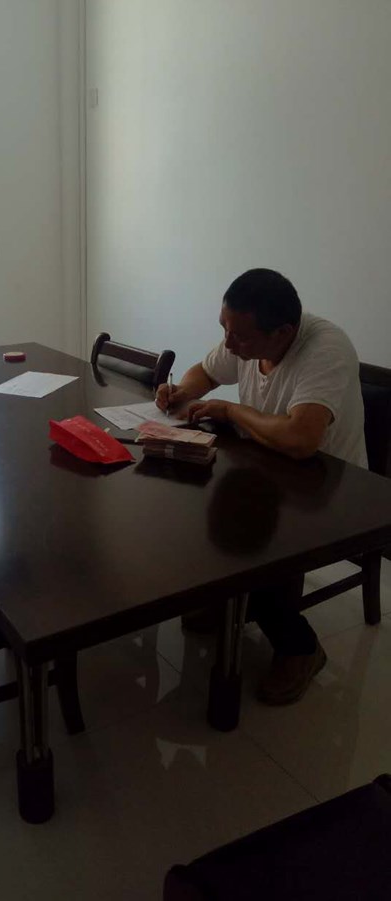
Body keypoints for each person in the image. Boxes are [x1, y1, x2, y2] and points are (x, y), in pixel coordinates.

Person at [156, 267, 367, 705]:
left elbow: (301, 439)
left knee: (254, 541)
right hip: (268, 467)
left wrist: (232, 412)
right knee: (192, 506)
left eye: (239, 337)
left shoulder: (325, 349)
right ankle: (228, 600)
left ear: (283, 332)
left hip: (331, 488)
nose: (229, 344)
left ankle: (300, 648)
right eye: (224, 329)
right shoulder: (245, 335)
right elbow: (205, 372)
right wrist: (183, 392)